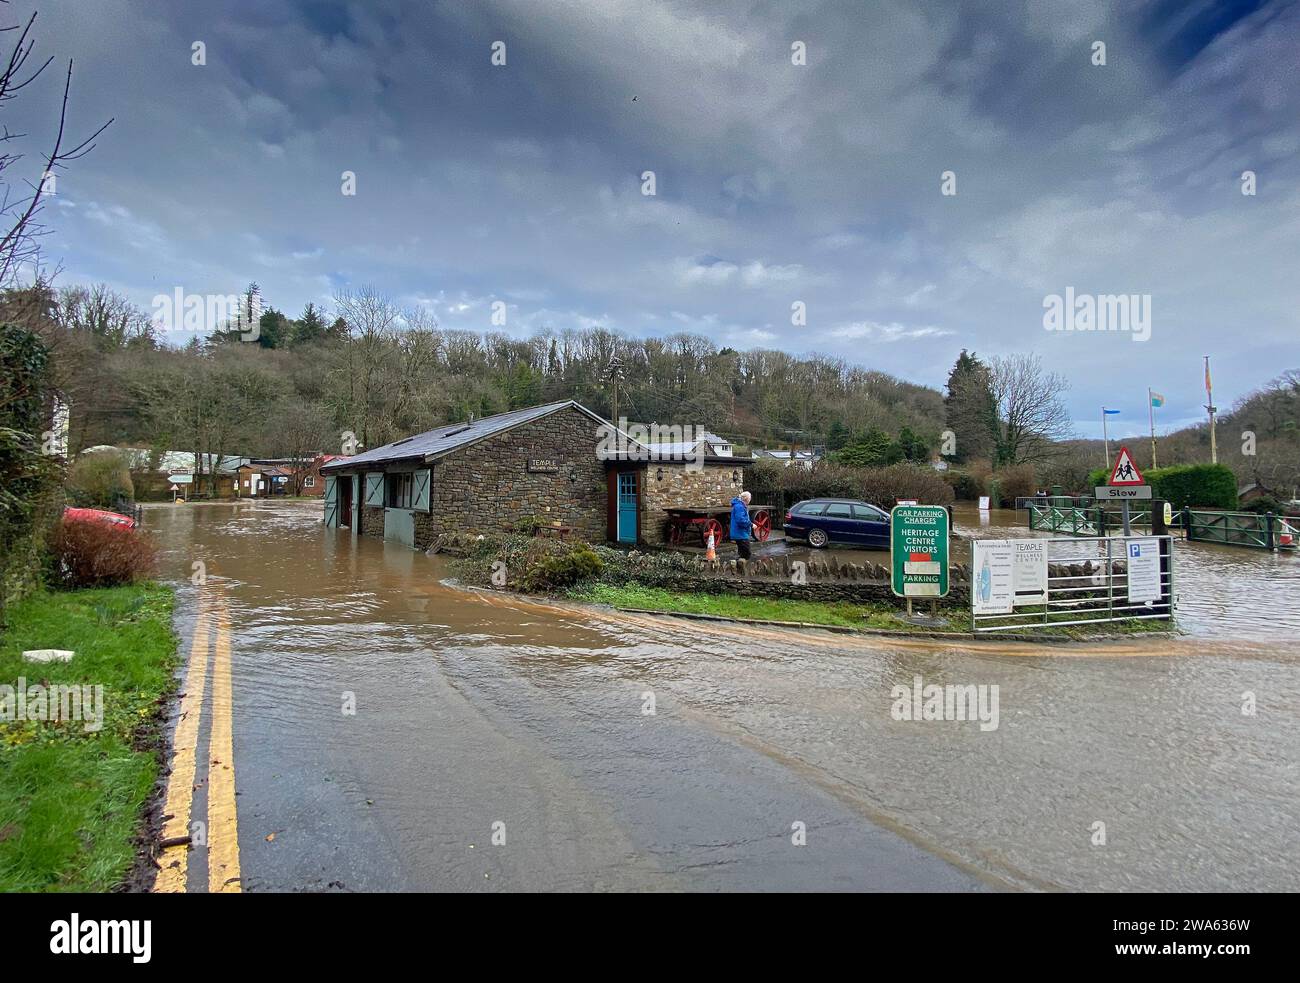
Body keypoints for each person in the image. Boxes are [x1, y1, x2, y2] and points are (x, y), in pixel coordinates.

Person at [730, 490, 753, 560]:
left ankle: (738, 568)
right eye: (750, 498)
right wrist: (751, 524)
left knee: (742, 554)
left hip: (741, 534)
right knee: (747, 554)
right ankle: (741, 569)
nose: (750, 499)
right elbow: (741, 520)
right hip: (741, 534)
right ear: (747, 499)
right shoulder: (739, 507)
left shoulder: (740, 506)